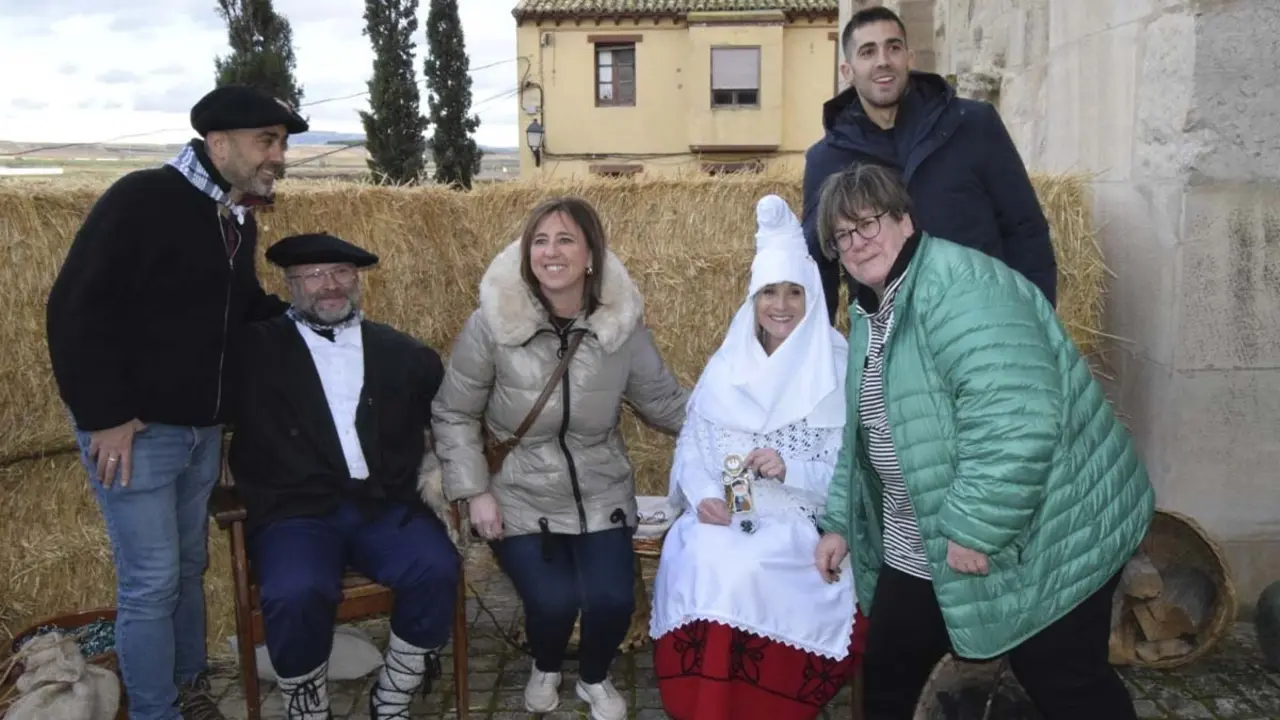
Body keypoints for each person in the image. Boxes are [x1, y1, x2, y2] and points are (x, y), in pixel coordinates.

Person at [811, 163, 1155, 720]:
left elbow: (1018, 418)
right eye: (842, 237)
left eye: (867, 224)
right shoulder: (876, 310)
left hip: (1049, 529)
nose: (855, 244)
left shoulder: (959, 290)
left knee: (1061, 675)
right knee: (891, 669)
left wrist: (976, 526)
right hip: (922, 537)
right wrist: (840, 523)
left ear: (904, 217)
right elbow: (868, 434)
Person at [44, 84, 307, 720]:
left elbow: (238, 311)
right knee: (151, 583)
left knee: (188, 569)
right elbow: (74, 308)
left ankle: (190, 688)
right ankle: (155, 711)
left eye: (282, 144)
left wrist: (309, 319)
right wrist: (104, 416)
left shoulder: (232, 219)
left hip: (200, 432)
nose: (279, 156)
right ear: (218, 144)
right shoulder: (142, 199)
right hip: (136, 434)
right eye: (266, 142)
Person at [431, 197, 689, 720]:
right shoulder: (492, 325)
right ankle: (545, 664)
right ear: (527, 254)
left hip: (600, 490)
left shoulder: (620, 328)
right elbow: (453, 412)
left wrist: (736, 427)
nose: (552, 252)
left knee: (614, 600)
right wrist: (474, 491)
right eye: (541, 241)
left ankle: (594, 678)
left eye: (566, 240)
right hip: (519, 492)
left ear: (590, 255)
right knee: (552, 601)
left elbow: (663, 401)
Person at [224, 232, 460, 719]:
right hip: (295, 512)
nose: (329, 285)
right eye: (313, 275)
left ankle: (393, 695)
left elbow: (453, 421)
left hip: (383, 506)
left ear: (358, 280)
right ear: (289, 284)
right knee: (295, 590)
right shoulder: (250, 354)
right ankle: (308, 710)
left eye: (341, 273)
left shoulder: (404, 354)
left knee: (437, 567)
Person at [649, 195, 863, 720]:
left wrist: (792, 468)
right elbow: (693, 447)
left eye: (794, 292)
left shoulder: (836, 363)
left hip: (802, 518)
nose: (782, 305)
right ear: (753, 298)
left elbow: (856, 469)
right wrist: (701, 497)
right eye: (770, 292)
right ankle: (703, 704)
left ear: (813, 297)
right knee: (705, 555)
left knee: (748, 567)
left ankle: (757, 706)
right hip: (728, 511)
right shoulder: (727, 362)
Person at [801, 6, 1057, 325]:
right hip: (886, 340)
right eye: (868, 52)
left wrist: (1037, 323)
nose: (883, 60)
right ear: (847, 70)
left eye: (893, 47)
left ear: (909, 58)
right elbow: (818, 267)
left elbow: (1024, 228)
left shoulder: (974, 125)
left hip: (984, 326)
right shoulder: (826, 160)